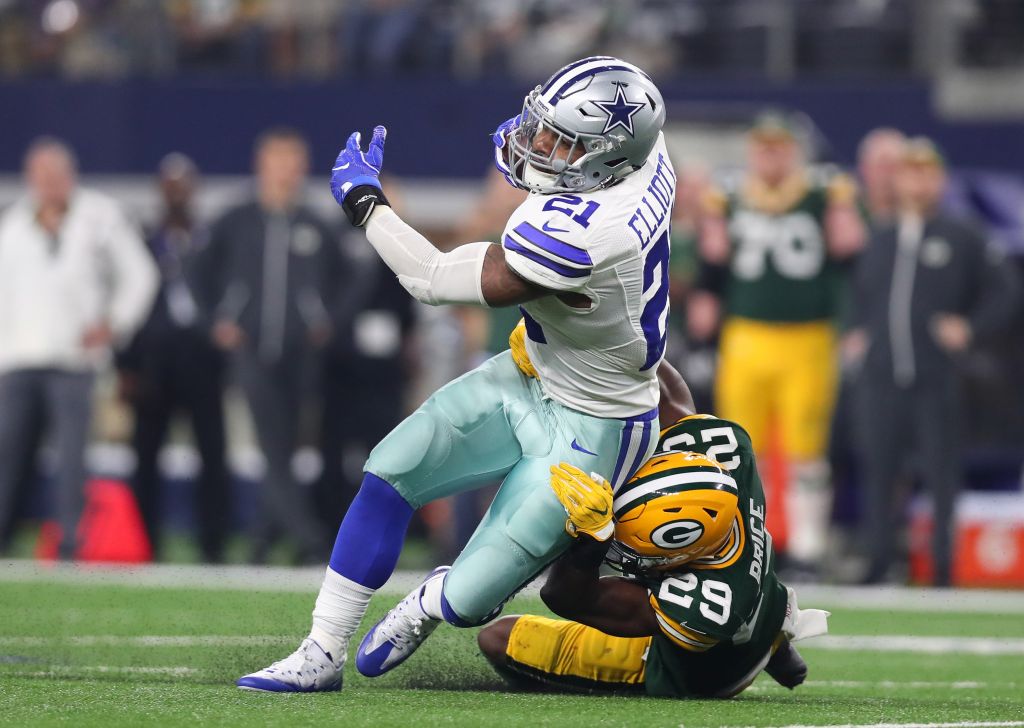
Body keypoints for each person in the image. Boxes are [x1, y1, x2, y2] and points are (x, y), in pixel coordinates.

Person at [237, 56, 675, 692]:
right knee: (392, 470)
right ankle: (322, 651)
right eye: (544, 126)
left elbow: (432, 278)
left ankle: (434, 598)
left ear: (607, 159)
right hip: (535, 370)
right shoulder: (646, 148)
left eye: (563, 141)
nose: (540, 144)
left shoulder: (587, 233)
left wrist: (366, 204)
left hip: (595, 428)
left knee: (470, 601)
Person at [477, 374, 830, 698]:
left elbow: (566, 597)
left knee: (498, 638)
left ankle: (767, 644)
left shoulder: (703, 608)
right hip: (757, 600)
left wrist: (591, 544)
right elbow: (660, 386)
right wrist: (610, 345)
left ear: (679, 558)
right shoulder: (724, 452)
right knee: (752, 591)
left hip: (701, 673)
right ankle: (774, 640)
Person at [689, 112, 866, 576]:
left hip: (807, 335)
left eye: (779, 146)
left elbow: (851, 249)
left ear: (794, 149)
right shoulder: (728, 197)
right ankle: (750, 544)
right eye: (763, 145)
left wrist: (841, 210)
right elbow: (713, 265)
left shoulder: (822, 193)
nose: (770, 155)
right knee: (742, 449)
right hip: (746, 333)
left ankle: (807, 548)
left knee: (806, 448)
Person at [847, 138, 1020, 586]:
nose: (917, 181)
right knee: (880, 470)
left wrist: (970, 327)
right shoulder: (882, 236)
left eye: (926, 172)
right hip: (882, 374)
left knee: (942, 473)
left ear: (939, 179)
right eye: (909, 171)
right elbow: (862, 295)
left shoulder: (961, 234)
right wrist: (857, 333)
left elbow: (1006, 291)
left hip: (935, 376)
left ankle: (943, 568)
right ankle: (879, 561)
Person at [0, 137, 157, 559]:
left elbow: (141, 275)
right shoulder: (13, 224)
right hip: (18, 361)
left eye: (56, 174)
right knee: (7, 454)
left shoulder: (99, 218)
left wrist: (114, 324)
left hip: (74, 361)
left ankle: (70, 543)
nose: (49, 183)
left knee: (72, 459)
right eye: (41, 174)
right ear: (30, 178)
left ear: (70, 176)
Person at [193, 127, 338, 564]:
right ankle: (311, 539)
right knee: (274, 448)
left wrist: (328, 321)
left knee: (287, 448)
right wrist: (215, 322)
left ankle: (262, 538)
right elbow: (194, 272)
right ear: (262, 164)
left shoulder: (315, 223)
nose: (285, 170)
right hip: (251, 350)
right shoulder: (234, 219)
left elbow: (352, 276)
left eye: (293, 161)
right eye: (278, 160)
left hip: (300, 354)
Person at [117, 153, 229, 563]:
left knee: (213, 454)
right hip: (153, 361)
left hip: (201, 357)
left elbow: (225, 293)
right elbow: (124, 303)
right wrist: (125, 365)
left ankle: (212, 544)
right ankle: (145, 542)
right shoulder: (141, 238)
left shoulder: (211, 237)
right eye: (171, 186)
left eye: (184, 185)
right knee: (146, 455)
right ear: (160, 191)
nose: (177, 194)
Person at [857, 128, 907, 226]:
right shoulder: (851, 216)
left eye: (895, 166)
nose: (889, 175)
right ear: (864, 169)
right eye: (882, 166)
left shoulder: (919, 221)